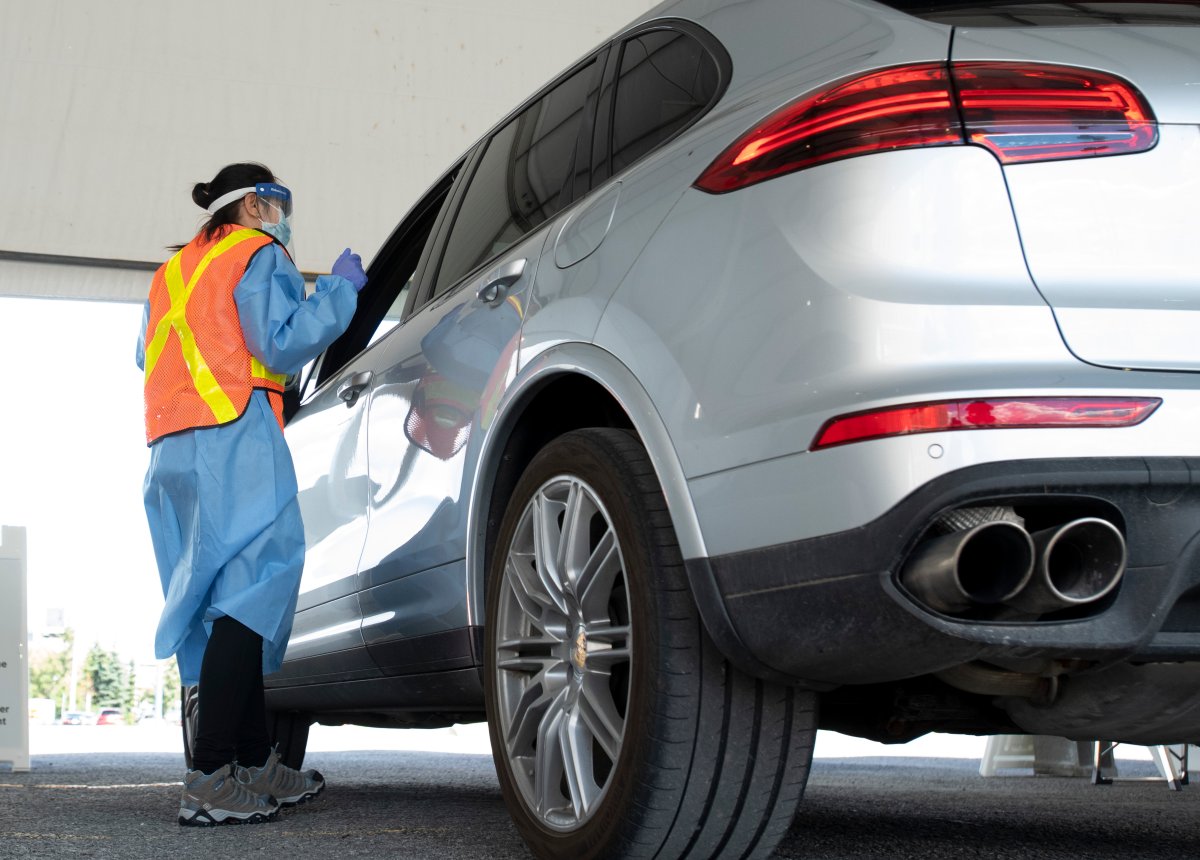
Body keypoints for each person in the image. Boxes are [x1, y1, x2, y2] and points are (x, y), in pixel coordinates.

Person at [136, 162, 368, 826]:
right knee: (252, 594)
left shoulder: (171, 274)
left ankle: (253, 761)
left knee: (219, 603)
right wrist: (338, 293)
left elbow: (149, 357)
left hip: (171, 455)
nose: (284, 216)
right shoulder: (257, 255)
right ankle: (209, 776)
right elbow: (282, 341)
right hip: (234, 440)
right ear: (257, 205)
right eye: (279, 202)